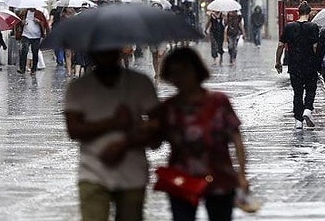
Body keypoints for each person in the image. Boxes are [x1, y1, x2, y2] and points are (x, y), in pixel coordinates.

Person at [148, 48, 249, 221]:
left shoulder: (219, 102)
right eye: (174, 73)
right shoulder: (168, 108)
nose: (179, 78)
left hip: (219, 177)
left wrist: (241, 175)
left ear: (196, 71)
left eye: (184, 72)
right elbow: (155, 144)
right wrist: (149, 126)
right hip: (182, 178)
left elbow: (236, 139)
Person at [64, 49, 159, 221]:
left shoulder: (140, 83)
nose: (106, 55)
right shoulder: (79, 87)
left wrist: (125, 143)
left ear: (120, 52)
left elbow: (159, 131)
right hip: (92, 174)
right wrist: (113, 122)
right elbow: (74, 130)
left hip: (133, 175)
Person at [275, 1, 319, 129]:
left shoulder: (289, 27)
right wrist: (318, 62)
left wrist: (278, 62)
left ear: (297, 13)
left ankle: (298, 121)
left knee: (297, 92)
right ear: (309, 13)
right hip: (310, 65)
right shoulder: (313, 27)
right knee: (311, 89)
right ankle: (308, 109)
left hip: (294, 66)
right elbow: (315, 46)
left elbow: (280, 45)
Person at [15, 8, 49, 75]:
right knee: (24, 51)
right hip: (25, 35)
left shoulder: (39, 13)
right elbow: (18, 22)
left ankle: (33, 69)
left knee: (35, 52)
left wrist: (39, 22)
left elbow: (45, 23)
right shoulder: (23, 13)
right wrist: (22, 22)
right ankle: (22, 68)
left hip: (36, 36)